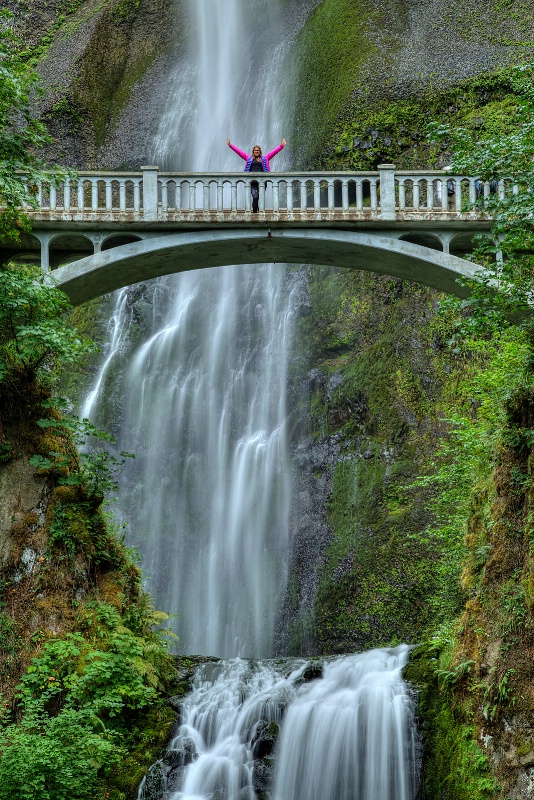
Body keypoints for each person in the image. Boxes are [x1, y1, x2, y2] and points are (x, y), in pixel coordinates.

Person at [226, 138, 286, 212]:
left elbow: (274, 152)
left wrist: (281, 146)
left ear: (260, 151)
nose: (256, 152)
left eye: (258, 151)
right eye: (255, 151)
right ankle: (254, 213)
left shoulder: (265, 158)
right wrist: (230, 145)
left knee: (259, 197)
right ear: (253, 152)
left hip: (262, 181)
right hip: (252, 181)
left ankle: (257, 211)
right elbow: (239, 152)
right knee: (255, 196)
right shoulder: (248, 158)